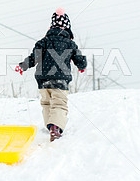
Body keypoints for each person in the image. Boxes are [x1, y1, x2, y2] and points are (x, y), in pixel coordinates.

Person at [15, 7, 87, 142]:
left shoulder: (43, 42)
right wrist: (82, 66)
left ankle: (50, 126)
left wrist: (23, 66)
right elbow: (79, 59)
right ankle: (56, 127)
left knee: (46, 103)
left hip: (43, 80)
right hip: (60, 79)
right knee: (59, 104)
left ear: (51, 27)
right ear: (68, 29)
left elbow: (34, 58)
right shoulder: (70, 43)